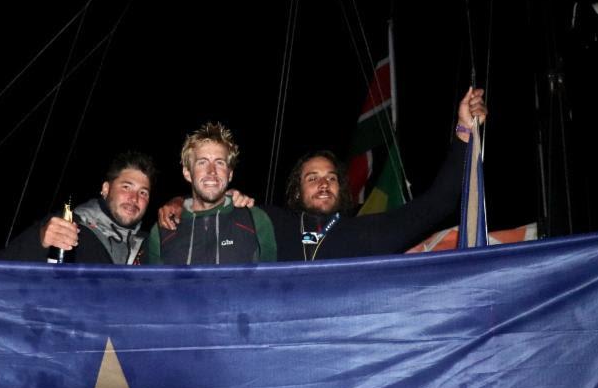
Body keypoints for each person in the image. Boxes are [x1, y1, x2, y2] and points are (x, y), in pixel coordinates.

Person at [157, 88, 487, 261]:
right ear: (297, 191)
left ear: (341, 186)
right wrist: (175, 203)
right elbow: (211, 205)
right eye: (312, 178)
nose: (323, 183)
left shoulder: (367, 232)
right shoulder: (271, 223)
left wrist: (463, 130)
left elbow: (440, 202)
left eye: (330, 177)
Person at [142, 122, 276, 264]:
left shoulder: (256, 220)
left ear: (229, 174)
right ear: (187, 173)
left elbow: (269, 282)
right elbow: (155, 285)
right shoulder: (162, 230)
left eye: (219, 163)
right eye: (202, 162)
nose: (212, 171)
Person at [0, 150, 155, 264]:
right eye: (126, 187)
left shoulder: (150, 246)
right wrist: (39, 241)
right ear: (106, 189)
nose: (134, 198)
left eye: (143, 193)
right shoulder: (67, 225)